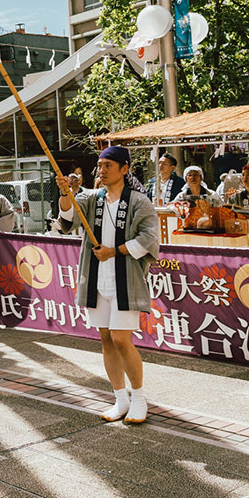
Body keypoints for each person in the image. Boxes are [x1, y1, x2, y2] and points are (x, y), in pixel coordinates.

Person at [55, 146, 158, 424]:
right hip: (96, 278)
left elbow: (149, 238)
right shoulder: (91, 198)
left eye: (108, 165)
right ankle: (120, 398)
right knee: (105, 338)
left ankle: (139, 398)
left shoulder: (139, 202)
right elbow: (68, 219)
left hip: (125, 279)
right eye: (99, 165)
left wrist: (116, 251)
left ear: (124, 169)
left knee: (121, 339)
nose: (101, 170)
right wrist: (66, 194)